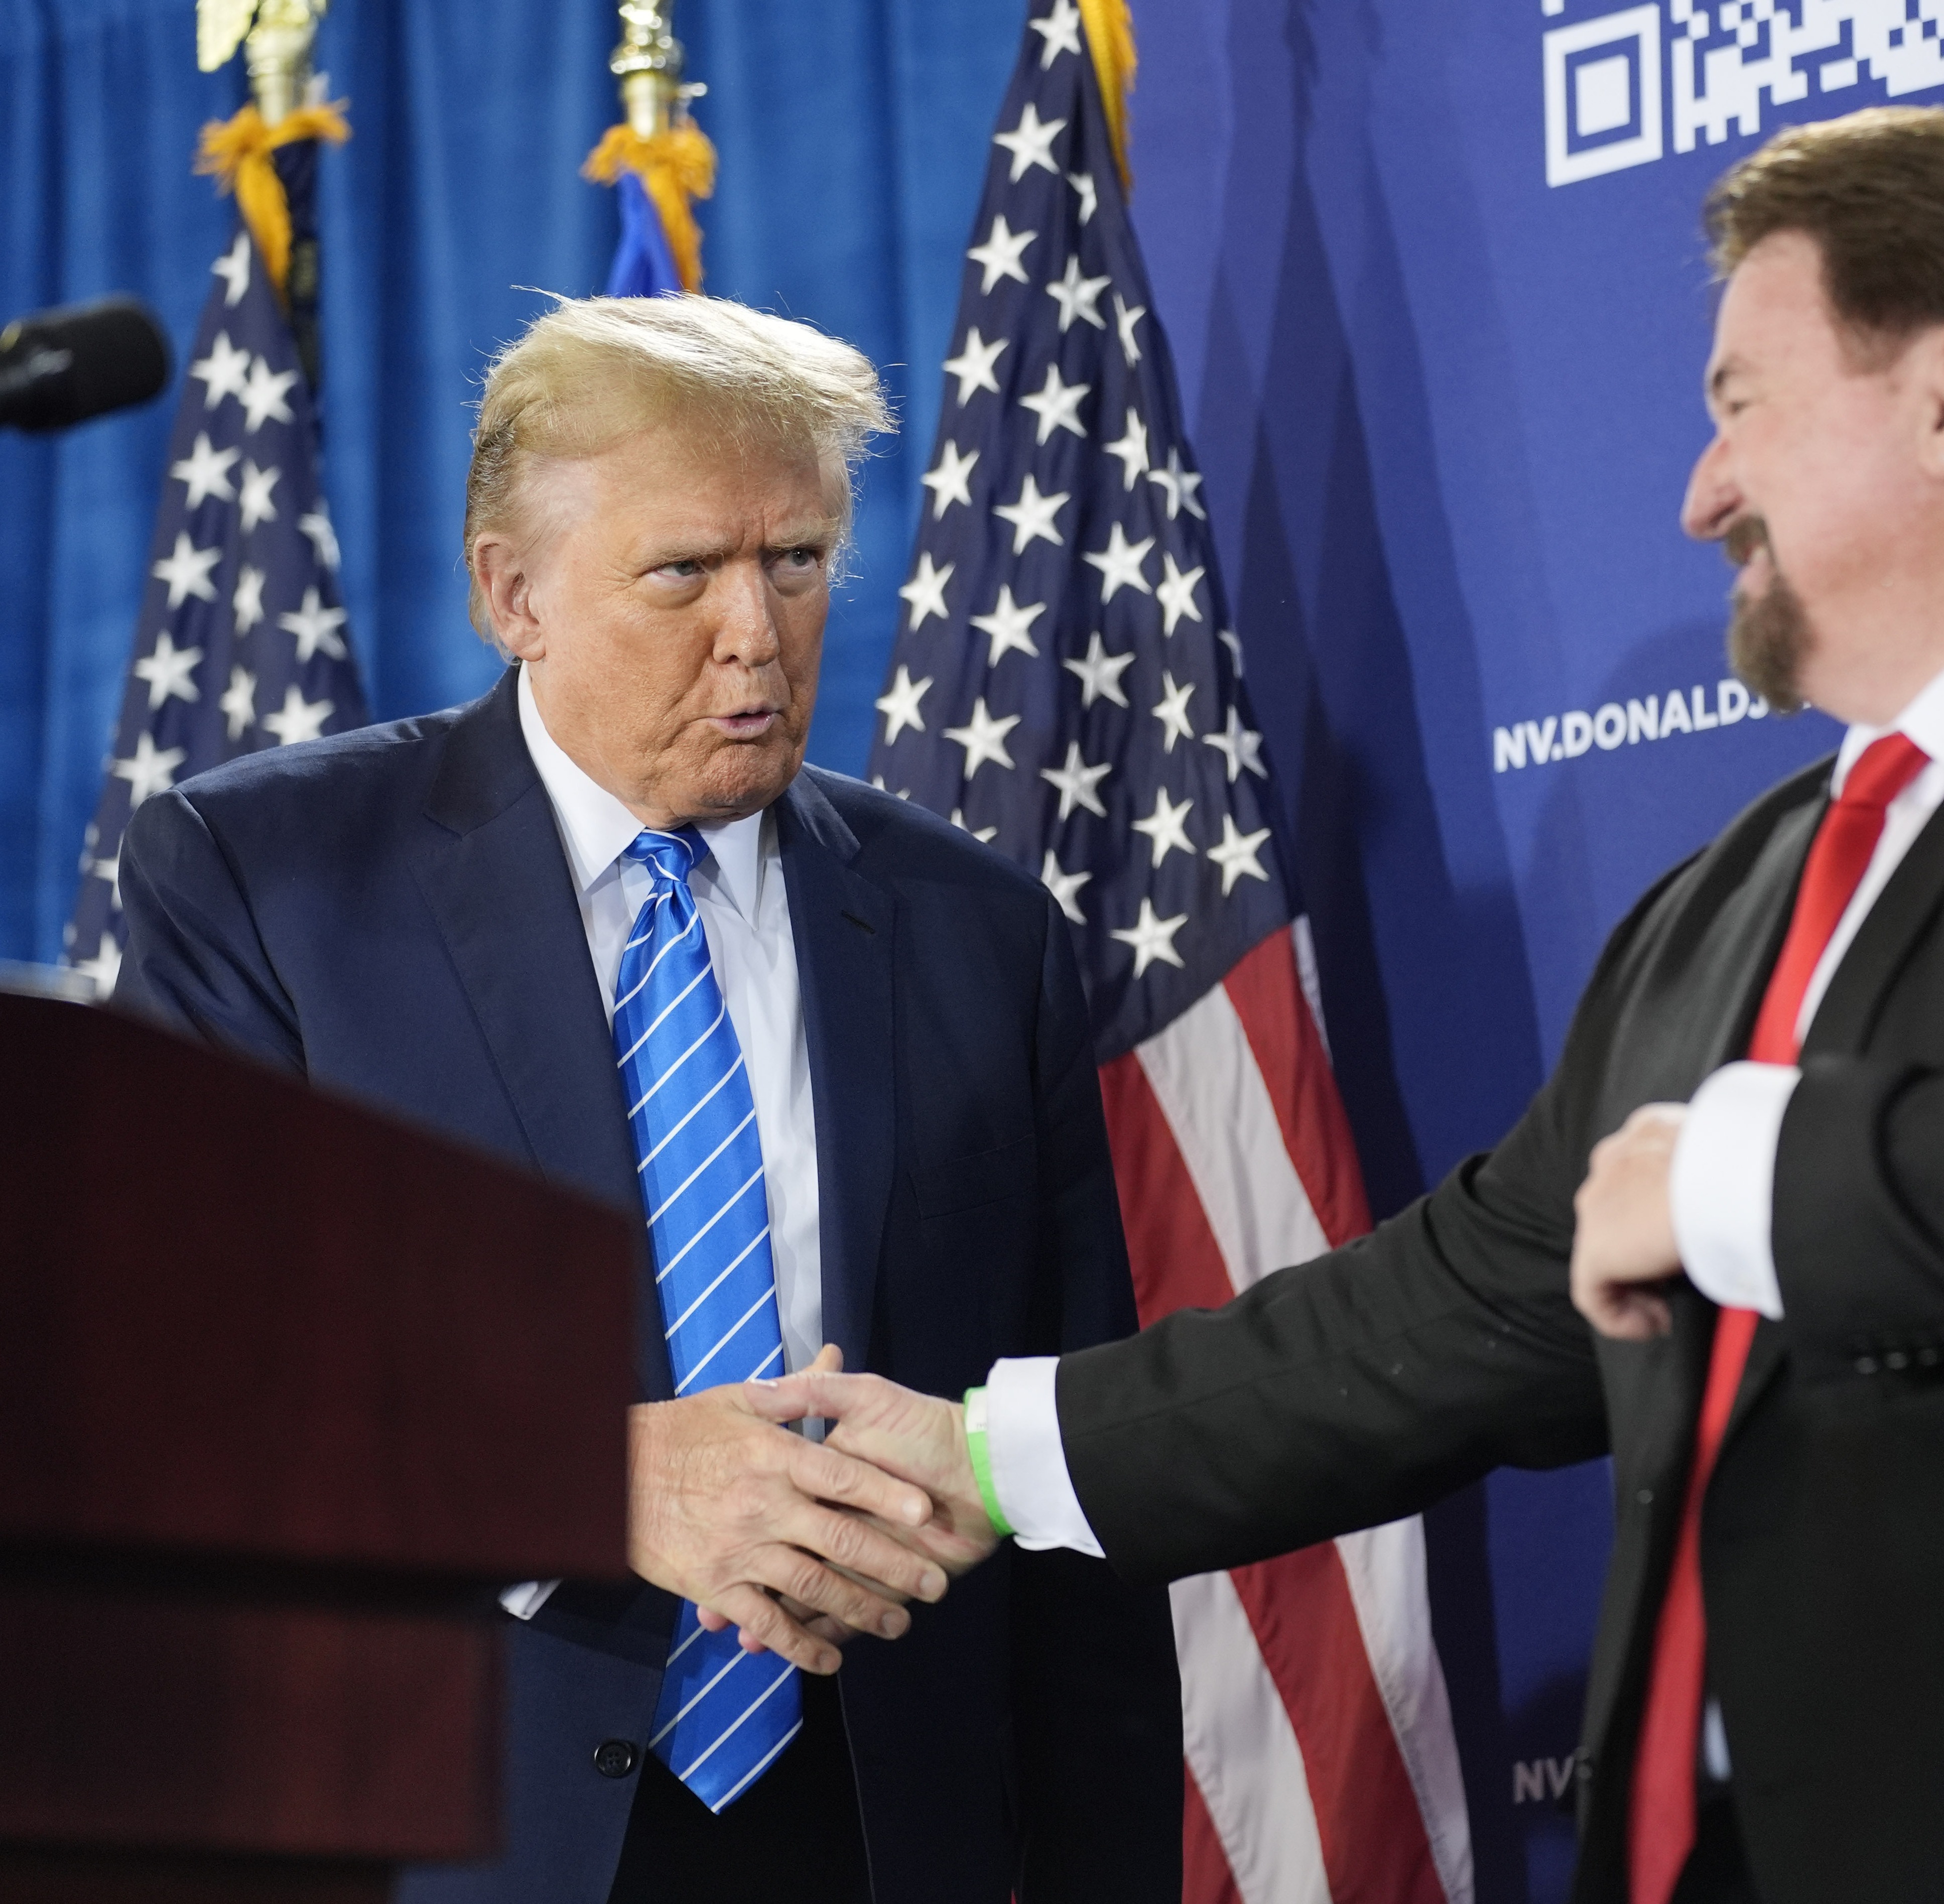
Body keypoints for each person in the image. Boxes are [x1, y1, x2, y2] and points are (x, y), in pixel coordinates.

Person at [777, 106, 1944, 1904]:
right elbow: (1458, 1307)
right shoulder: (1749, 886)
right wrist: (985, 1455)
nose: (1698, 490)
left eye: (1739, 404)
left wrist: (1727, 1180)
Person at [118, 294, 1181, 1904]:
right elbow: (176, 1379)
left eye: (798, 561)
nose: (754, 632)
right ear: (510, 591)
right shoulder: (270, 882)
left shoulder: (982, 930)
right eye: (682, 570)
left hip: (886, 1832)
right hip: (446, 1830)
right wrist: (595, 1480)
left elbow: (1070, 1502)